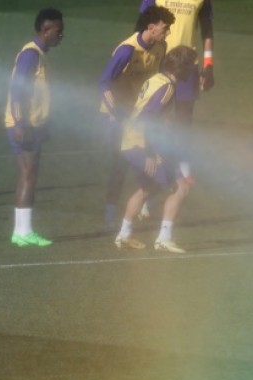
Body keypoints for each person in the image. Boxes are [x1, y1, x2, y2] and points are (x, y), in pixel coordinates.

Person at [114, 45, 199, 253]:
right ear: (182, 68)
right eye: (191, 66)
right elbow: (148, 119)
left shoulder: (156, 79)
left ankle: (124, 235)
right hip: (143, 144)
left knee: (147, 188)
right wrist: (150, 153)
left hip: (130, 139)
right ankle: (164, 238)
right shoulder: (168, 87)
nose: (192, 71)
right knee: (180, 187)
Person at [100, 6, 175, 229]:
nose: (168, 32)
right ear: (151, 28)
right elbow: (104, 83)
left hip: (141, 114)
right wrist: (117, 114)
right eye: (165, 28)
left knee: (152, 158)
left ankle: (141, 206)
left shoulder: (160, 47)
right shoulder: (126, 51)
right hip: (118, 114)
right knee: (121, 161)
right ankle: (111, 211)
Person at [138, 0, 214, 207]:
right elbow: (142, 23)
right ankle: (153, 168)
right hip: (160, 61)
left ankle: (183, 167)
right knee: (158, 118)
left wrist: (208, 65)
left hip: (187, 66)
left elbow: (207, 30)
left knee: (184, 120)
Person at [4, 8, 64, 248]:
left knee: (28, 176)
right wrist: (20, 123)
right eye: (59, 31)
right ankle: (23, 231)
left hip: (34, 125)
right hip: (24, 125)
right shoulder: (30, 54)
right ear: (46, 29)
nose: (61, 35)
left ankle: (21, 231)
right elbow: (17, 89)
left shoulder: (39, 54)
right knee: (29, 176)